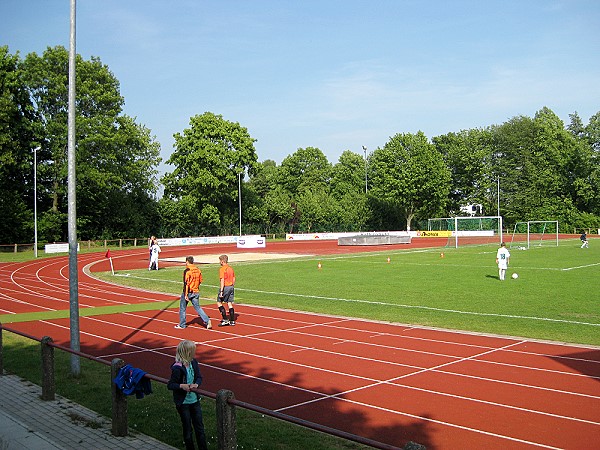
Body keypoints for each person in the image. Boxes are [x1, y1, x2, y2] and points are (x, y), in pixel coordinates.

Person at [167, 340, 208, 450]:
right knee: (188, 429)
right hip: (183, 403)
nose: (195, 353)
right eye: (193, 351)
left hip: (195, 401)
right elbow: (170, 385)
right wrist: (182, 386)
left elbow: (199, 377)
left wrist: (196, 384)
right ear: (187, 353)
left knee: (200, 428)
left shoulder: (193, 362)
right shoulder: (177, 368)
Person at [175, 256, 212, 330]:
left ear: (187, 262)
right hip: (196, 291)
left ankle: (182, 324)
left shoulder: (187, 271)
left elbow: (186, 283)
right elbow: (200, 280)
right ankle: (207, 320)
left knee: (183, 308)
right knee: (198, 307)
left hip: (188, 292)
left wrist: (186, 294)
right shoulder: (198, 270)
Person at [217, 254, 236, 326]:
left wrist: (221, 291)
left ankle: (225, 319)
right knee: (229, 303)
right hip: (231, 286)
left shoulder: (222, 269)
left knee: (219, 302)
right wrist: (232, 285)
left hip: (225, 287)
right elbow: (234, 278)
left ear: (222, 261)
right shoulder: (230, 268)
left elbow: (222, 280)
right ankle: (232, 320)